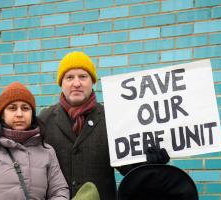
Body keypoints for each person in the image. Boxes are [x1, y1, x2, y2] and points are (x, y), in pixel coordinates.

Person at [38, 51, 170, 200]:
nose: (76, 83)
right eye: (69, 77)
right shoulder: (45, 119)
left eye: (83, 76)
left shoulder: (111, 118)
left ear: (92, 81)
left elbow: (129, 167)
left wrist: (150, 164)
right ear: (61, 83)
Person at [0, 82, 69, 200]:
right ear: (2, 114)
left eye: (25, 108)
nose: (19, 114)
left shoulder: (47, 151)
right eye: (12, 108)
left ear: (32, 114)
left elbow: (59, 192)